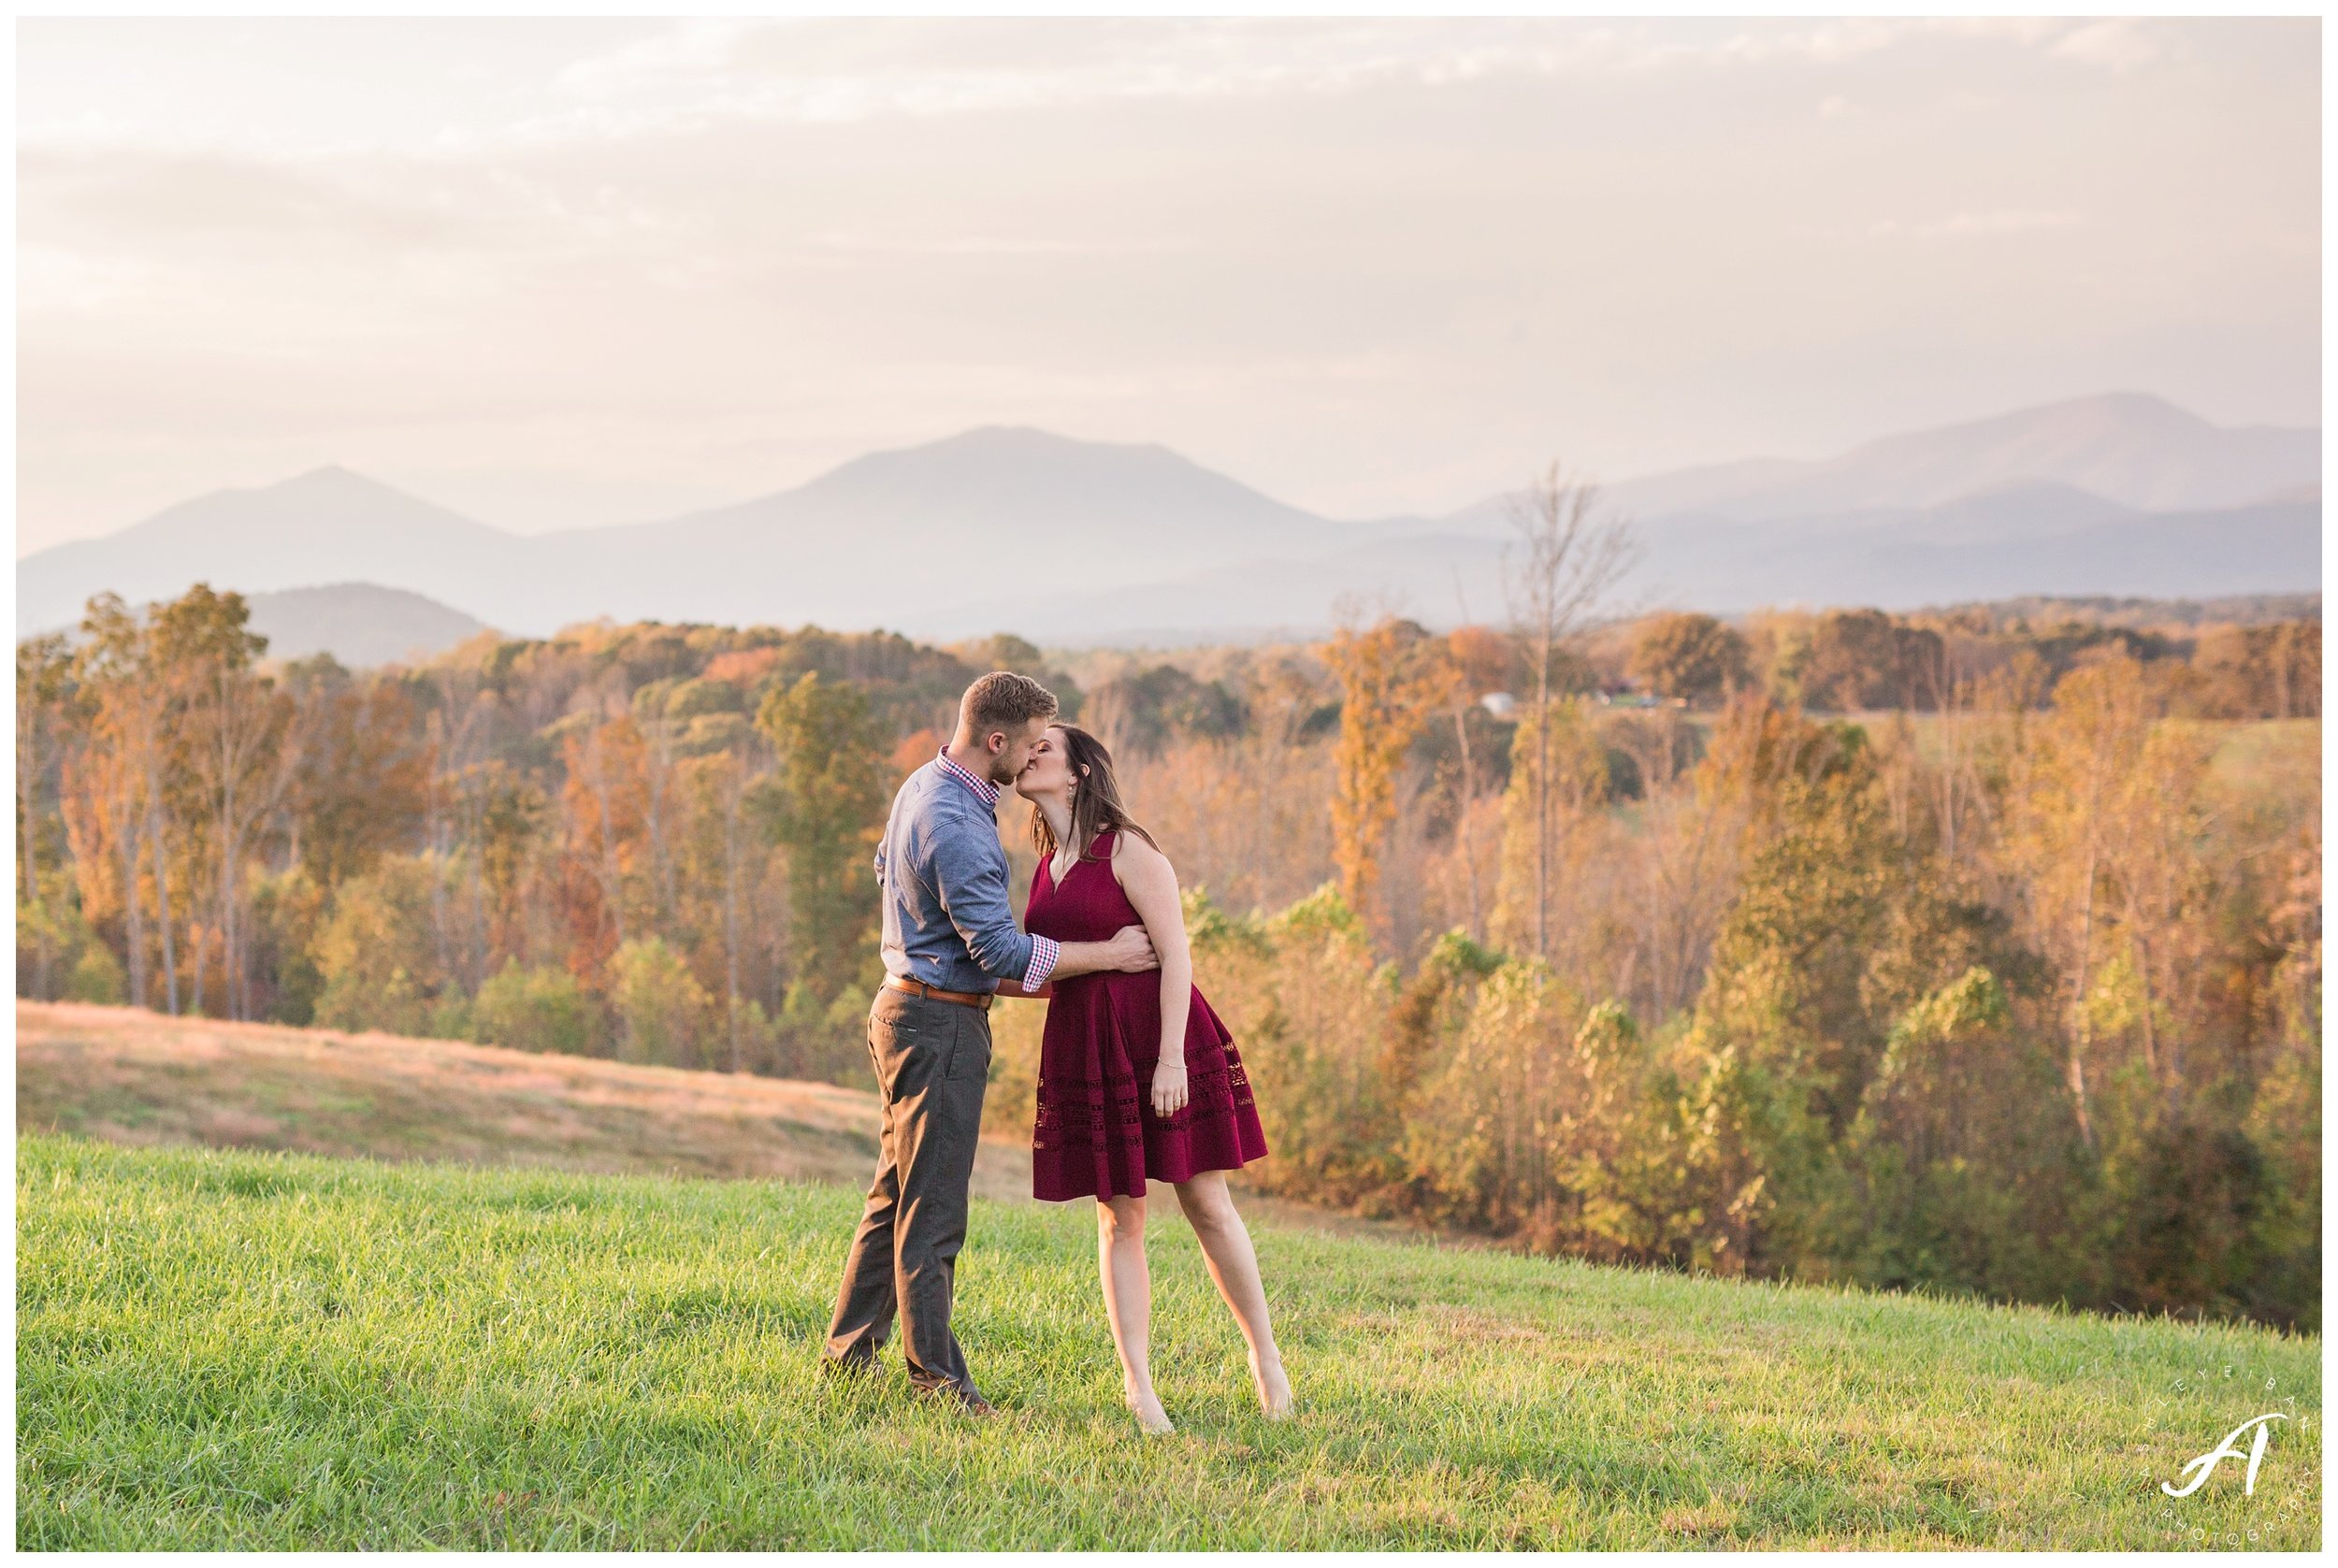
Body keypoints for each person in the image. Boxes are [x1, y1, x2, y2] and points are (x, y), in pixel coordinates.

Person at [821, 672, 1160, 1415]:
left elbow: (889, 868)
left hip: (906, 1007)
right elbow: (1004, 952)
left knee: (896, 1194)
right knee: (935, 1210)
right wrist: (1107, 954)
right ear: (997, 741)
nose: (1038, 754)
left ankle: (848, 1356)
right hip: (937, 1024)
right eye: (1032, 742)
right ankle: (938, 1382)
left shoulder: (925, 784)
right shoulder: (961, 823)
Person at [1005, 721, 1292, 1433]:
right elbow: (1053, 967)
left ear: (1075, 774)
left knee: (1206, 1202)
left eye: (1042, 750)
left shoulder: (1127, 848)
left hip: (1162, 1040)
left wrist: (1170, 1061)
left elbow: (1176, 957)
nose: (1027, 755)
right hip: (1087, 1049)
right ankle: (1139, 1385)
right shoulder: (1046, 863)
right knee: (1118, 1214)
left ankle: (1266, 1360)